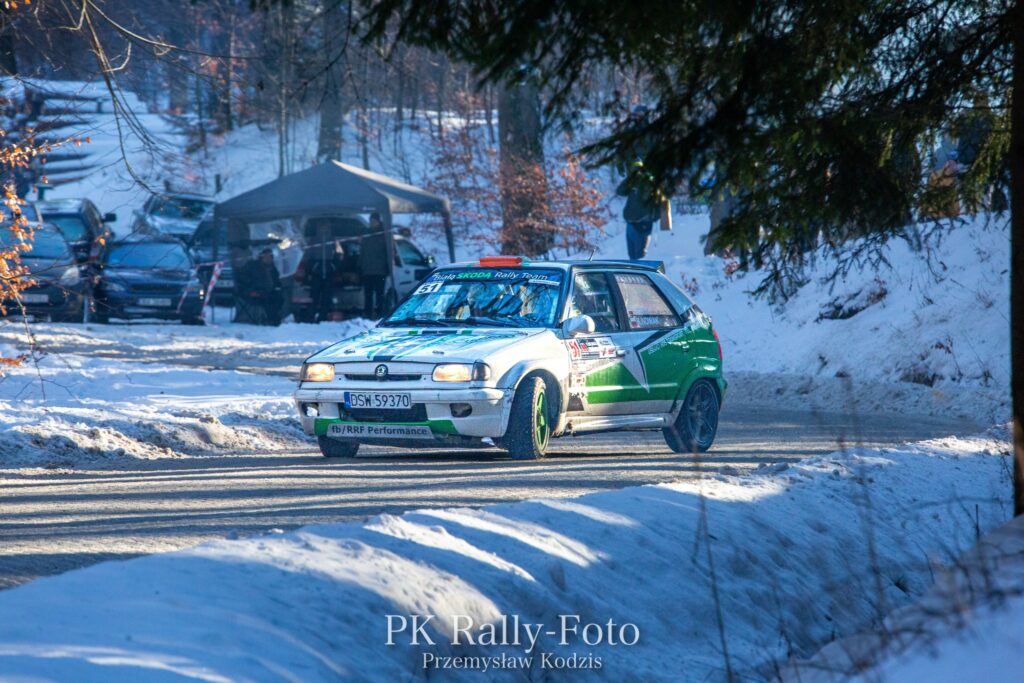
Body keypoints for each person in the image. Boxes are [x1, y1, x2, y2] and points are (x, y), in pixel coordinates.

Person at [616, 160, 661, 260]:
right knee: (632, 257)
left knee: (640, 257)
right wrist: (630, 178)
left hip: (643, 224)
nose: (637, 172)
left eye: (638, 170)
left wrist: (650, 218)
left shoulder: (651, 182)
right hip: (630, 223)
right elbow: (620, 191)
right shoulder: (633, 182)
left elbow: (659, 204)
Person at [237, 248, 283, 325]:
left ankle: (274, 318)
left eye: (270, 257)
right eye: (266, 256)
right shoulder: (253, 266)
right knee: (268, 299)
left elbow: (277, 281)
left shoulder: (273, 269)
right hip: (252, 291)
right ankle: (270, 319)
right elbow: (243, 279)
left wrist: (278, 288)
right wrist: (251, 289)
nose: (268, 259)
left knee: (279, 298)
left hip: (269, 291)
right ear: (261, 257)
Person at [360, 213, 389, 318]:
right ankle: (368, 313)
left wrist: (388, 266)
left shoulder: (384, 234)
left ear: (378, 221)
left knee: (379, 294)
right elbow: (362, 251)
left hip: (380, 270)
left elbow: (390, 251)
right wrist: (360, 266)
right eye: (371, 221)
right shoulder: (366, 235)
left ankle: (379, 313)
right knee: (368, 294)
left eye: (374, 221)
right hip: (367, 270)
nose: (372, 223)